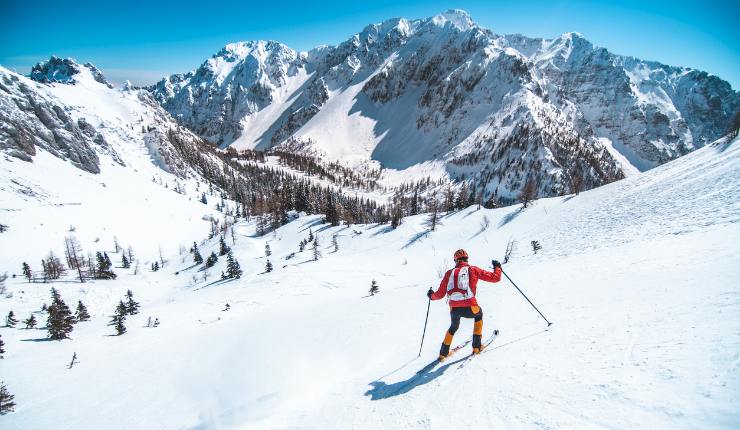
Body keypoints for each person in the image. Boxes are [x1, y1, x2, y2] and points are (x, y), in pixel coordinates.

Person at [427, 249, 502, 360]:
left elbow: (440, 294)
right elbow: (495, 278)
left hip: (454, 309)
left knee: (453, 327)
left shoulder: (449, 273)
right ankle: (476, 347)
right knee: (479, 315)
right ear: (467, 259)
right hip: (471, 307)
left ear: (455, 260)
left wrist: (431, 296)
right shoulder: (473, 269)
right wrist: (497, 267)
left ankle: (443, 353)